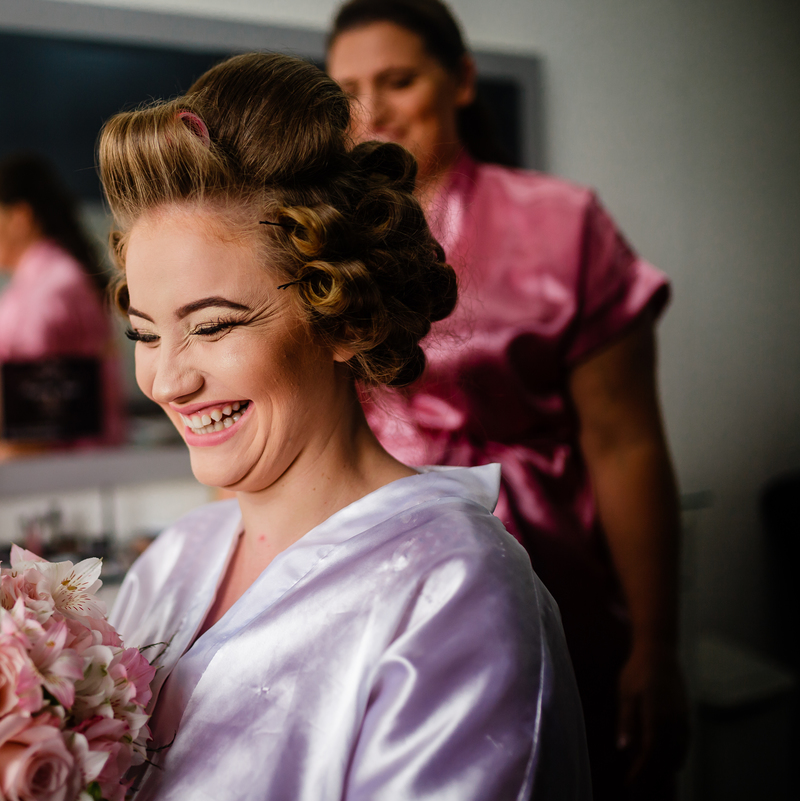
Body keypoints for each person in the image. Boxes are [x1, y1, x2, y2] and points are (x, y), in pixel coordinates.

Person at [104, 52, 588, 800]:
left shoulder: (453, 592)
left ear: (344, 315)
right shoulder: (171, 561)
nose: (168, 379)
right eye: (145, 332)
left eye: (213, 326)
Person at [325, 1, 688, 798]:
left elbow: (627, 443)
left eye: (399, 80)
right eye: (348, 88)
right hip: (372, 574)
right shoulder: (318, 238)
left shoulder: (562, 225)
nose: (373, 110)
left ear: (459, 81)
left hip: (549, 571)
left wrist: (657, 644)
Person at [0, 153, 124, 457]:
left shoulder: (51, 288)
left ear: (19, 218)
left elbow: (29, 417)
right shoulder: (26, 283)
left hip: (64, 465)